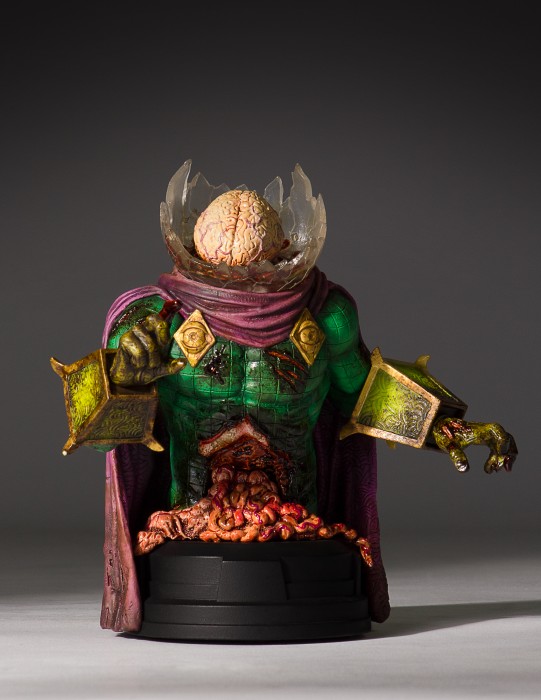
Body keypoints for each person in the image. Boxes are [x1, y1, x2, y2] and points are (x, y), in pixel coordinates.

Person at [99, 162, 516, 634]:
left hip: (296, 517)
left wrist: (447, 425)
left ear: (282, 254)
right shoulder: (156, 320)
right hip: (190, 515)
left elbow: (364, 395)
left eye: (256, 277)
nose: (243, 290)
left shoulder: (325, 316)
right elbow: (102, 436)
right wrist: (123, 377)